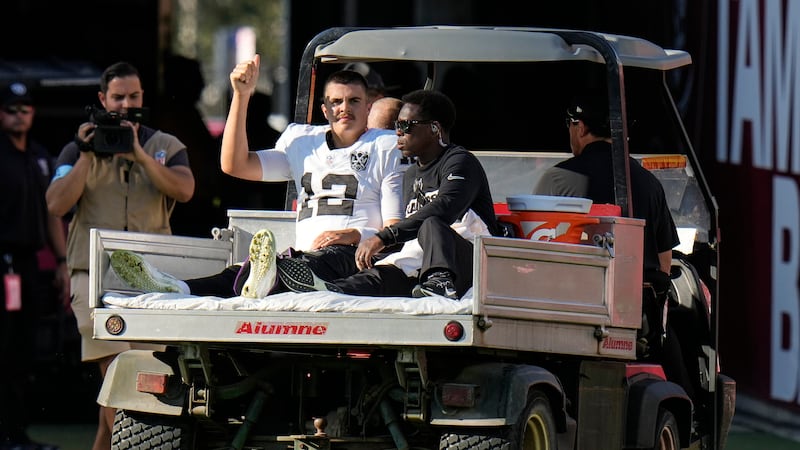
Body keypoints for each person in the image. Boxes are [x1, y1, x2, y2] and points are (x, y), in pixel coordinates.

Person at [109, 55, 407, 300]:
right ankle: (178, 287)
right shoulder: (302, 141)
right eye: (337, 102)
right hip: (304, 256)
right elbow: (235, 164)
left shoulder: (385, 146)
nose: (345, 108)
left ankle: (269, 277)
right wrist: (241, 96)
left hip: (353, 258)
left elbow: (395, 228)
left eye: (354, 101)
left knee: (281, 268)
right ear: (324, 109)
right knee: (248, 271)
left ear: (368, 106)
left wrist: (356, 235)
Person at [45, 61, 195, 450]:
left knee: (130, 388)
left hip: (151, 281)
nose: (126, 105)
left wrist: (140, 156)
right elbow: (56, 204)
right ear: (102, 100)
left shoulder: (165, 145)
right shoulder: (78, 148)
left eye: (134, 96)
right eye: (118, 97)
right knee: (122, 379)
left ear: (143, 98)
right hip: (91, 277)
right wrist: (85, 154)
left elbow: (185, 191)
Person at [274, 89, 504, 299]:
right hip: (422, 259)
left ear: (434, 128)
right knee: (380, 275)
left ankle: (441, 283)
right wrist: (365, 243)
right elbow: (407, 232)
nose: (397, 132)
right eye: (397, 125)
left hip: (474, 263)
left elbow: (445, 208)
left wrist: (383, 237)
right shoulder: (411, 174)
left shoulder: (460, 161)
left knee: (432, 222)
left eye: (406, 126)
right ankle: (330, 291)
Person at [533, 91, 687, 388]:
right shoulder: (648, 182)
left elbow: (537, 249)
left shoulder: (557, 178)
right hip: (636, 317)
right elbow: (664, 261)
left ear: (579, 127)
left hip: (571, 312)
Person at [0, 82, 66, 450]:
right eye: (11, 108)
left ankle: (17, 433)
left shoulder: (40, 157)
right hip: (1, 261)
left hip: (27, 266)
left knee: (23, 350)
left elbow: (52, 214)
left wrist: (60, 262)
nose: (19, 114)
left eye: (25, 108)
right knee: (3, 346)